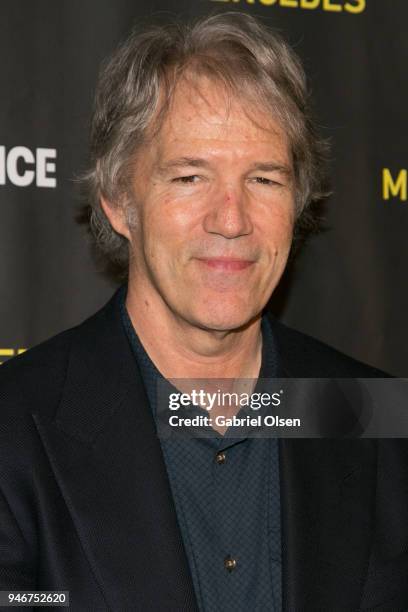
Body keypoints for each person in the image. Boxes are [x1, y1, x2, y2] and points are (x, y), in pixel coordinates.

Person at [0, 12, 407, 612]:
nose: (232, 218)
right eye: (190, 176)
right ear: (118, 201)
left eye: (265, 180)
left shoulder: (381, 426)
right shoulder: (13, 430)